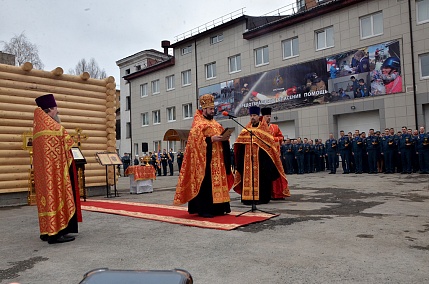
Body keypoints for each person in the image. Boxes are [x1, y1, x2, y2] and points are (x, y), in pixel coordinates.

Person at [174, 94, 233, 218]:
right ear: (204, 109)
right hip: (206, 161)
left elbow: (221, 138)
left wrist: (225, 138)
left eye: (213, 108)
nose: (213, 111)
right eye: (210, 109)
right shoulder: (198, 124)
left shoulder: (216, 124)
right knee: (206, 184)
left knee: (218, 183)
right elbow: (194, 142)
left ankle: (219, 208)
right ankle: (205, 209)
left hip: (219, 160)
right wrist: (211, 139)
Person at [33, 94, 81, 244]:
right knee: (56, 196)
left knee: (45, 200)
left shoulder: (38, 128)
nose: (57, 112)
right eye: (56, 109)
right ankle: (56, 233)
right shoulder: (55, 128)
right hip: (55, 173)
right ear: (50, 109)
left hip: (42, 174)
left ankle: (47, 231)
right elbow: (68, 142)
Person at [233, 106, 289, 203]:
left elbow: (269, 146)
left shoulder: (264, 130)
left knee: (262, 179)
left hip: (261, 163)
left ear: (259, 116)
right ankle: (248, 198)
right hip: (248, 163)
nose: (252, 117)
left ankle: (262, 198)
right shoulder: (245, 130)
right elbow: (240, 145)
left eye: (254, 115)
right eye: (251, 115)